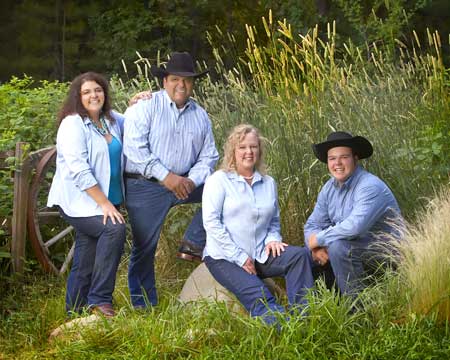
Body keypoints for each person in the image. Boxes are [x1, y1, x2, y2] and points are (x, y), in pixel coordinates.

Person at [123, 52, 219, 308]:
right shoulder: (144, 107)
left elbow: (209, 155)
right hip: (145, 185)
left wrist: (192, 180)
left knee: (224, 185)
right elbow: (134, 149)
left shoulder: (200, 115)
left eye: (187, 80)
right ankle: (144, 306)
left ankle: (194, 242)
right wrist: (167, 177)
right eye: (175, 79)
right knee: (144, 247)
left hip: (185, 183)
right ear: (164, 81)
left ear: (193, 83)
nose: (181, 85)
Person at [202, 124, 314, 325]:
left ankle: (305, 318)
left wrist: (273, 239)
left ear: (259, 150)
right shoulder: (219, 180)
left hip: (261, 253)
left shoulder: (268, 182)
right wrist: (240, 257)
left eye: (253, 147)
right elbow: (211, 223)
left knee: (300, 256)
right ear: (233, 151)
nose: (248, 152)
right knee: (261, 294)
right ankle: (288, 331)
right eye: (242, 147)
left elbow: (273, 221)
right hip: (225, 257)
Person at [48, 72, 127, 317]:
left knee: (86, 251)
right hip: (79, 201)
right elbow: (79, 170)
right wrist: (104, 204)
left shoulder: (111, 120)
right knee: (113, 229)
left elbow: (136, 118)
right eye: (86, 92)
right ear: (78, 97)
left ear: (104, 93)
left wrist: (139, 100)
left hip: (104, 201)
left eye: (98, 90)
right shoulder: (72, 124)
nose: (94, 95)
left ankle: (74, 310)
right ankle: (100, 300)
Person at [304, 131, 402, 296]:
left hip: (387, 251)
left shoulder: (369, 186)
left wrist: (319, 239)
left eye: (344, 157)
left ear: (355, 158)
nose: (338, 163)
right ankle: (312, 309)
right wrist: (314, 247)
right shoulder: (329, 188)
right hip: (355, 248)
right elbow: (313, 224)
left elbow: (354, 227)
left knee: (339, 248)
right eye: (332, 158)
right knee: (304, 254)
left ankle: (357, 312)